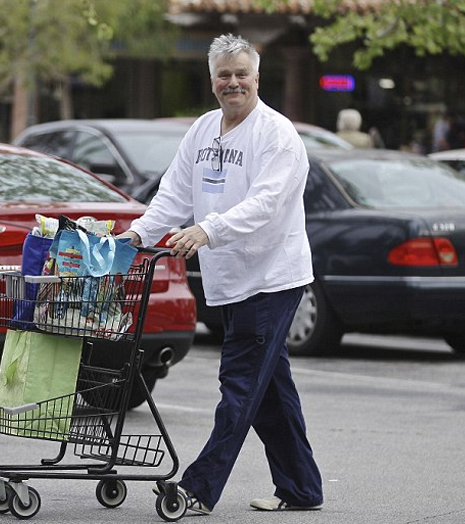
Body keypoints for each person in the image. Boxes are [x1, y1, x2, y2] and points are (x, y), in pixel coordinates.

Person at [118, 34, 323, 515]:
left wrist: (207, 230)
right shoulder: (205, 129)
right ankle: (302, 488)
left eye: (241, 74)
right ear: (212, 80)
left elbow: (266, 204)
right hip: (229, 277)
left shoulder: (277, 135)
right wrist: (139, 235)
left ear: (257, 77)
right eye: (224, 75)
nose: (233, 83)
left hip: (272, 277)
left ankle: (198, 488)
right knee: (269, 388)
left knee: (239, 385)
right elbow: (174, 192)